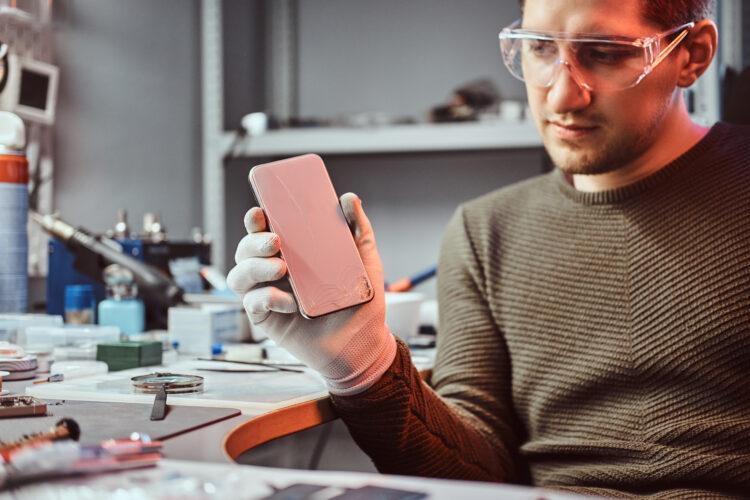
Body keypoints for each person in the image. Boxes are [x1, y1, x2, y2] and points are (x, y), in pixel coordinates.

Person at [227, 0, 750, 496]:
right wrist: (360, 360)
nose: (562, 96)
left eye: (605, 53)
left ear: (692, 54)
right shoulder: (485, 231)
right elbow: (476, 476)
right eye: (540, 48)